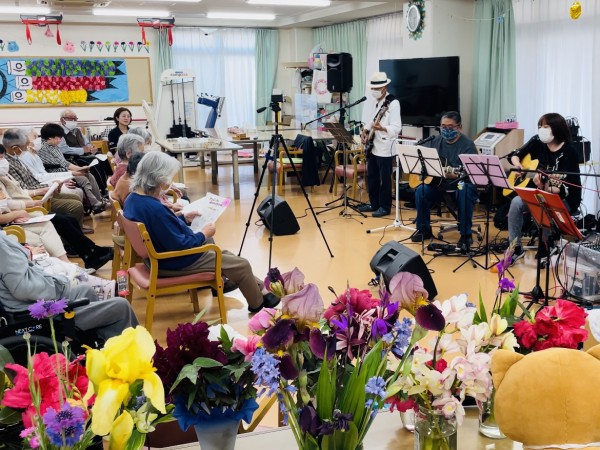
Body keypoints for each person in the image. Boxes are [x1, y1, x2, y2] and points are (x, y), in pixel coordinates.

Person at [123, 152, 279, 313]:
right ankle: (258, 304)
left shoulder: (133, 199)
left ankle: (259, 289)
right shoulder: (154, 208)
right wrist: (203, 233)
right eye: (168, 178)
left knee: (224, 255)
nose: (168, 182)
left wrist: (184, 218)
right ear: (158, 178)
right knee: (241, 264)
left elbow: (162, 227)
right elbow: (180, 244)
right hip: (172, 262)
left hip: (156, 257)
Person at [0, 232, 138, 342]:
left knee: (85, 290)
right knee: (121, 306)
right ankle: (131, 359)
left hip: (25, 306)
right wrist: (58, 285)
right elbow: (24, 289)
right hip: (33, 315)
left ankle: (99, 346)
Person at [0, 145, 113, 270]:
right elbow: (9, 202)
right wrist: (21, 210)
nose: (3, 160)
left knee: (69, 219)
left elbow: (15, 195)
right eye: (0, 158)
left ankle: (90, 253)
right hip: (14, 216)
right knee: (62, 220)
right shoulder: (10, 168)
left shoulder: (5, 173)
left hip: (23, 208)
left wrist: (36, 197)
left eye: (2, 157)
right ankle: (88, 254)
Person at [508, 112, 582, 261]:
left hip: (564, 197)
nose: (541, 130)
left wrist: (545, 187)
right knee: (516, 202)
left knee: (542, 203)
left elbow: (562, 190)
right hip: (540, 192)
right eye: (540, 126)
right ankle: (515, 247)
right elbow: (514, 155)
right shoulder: (537, 142)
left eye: (546, 126)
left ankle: (547, 245)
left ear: (557, 128)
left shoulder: (569, 152)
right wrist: (519, 167)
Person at [411, 111, 479, 249]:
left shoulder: (468, 145)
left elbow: (471, 173)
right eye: (443, 126)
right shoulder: (435, 141)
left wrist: (453, 175)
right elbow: (423, 161)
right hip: (439, 185)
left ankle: (466, 234)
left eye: (450, 127)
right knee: (421, 190)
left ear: (459, 127)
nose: (446, 130)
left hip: (460, 184)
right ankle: (424, 229)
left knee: (464, 189)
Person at [2, 129, 86, 227]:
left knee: (75, 197)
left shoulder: (16, 157)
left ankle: (76, 228)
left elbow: (34, 177)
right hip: (34, 197)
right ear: (15, 148)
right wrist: (48, 186)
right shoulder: (7, 164)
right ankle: (72, 232)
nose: (27, 148)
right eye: (25, 146)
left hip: (40, 190)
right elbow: (24, 188)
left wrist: (52, 184)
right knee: (75, 206)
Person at [358, 71, 402, 218]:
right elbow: (372, 120)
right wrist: (365, 131)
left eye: (377, 88)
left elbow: (397, 128)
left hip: (385, 148)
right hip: (373, 146)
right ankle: (374, 203)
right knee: (372, 177)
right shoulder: (377, 102)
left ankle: (385, 206)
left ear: (385, 87)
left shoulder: (393, 103)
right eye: (373, 88)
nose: (374, 91)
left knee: (385, 179)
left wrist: (382, 128)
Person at [38, 123, 107, 214]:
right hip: (56, 173)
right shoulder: (44, 149)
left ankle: (99, 200)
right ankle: (94, 203)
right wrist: (77, 170)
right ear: (49, 138)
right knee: (82, 179)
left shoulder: (54, 146)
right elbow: (60, 165)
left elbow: (65, 162)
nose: (60, 140)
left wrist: (79, 168)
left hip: (64, 170)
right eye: (58, 138)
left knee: (89, 175)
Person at [57, 109, 112, 195]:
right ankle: (102, 189)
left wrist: (91, 148)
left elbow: (87, 143)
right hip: (72, 157)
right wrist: (82, 150)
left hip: (85, 154)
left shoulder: (77, 130)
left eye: (75, 119)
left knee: (104, 158)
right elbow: (63, 149)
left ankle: (110, 183)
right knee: (94, 161)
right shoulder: (59, 132)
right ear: (62, 120)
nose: (73, 121)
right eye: (70, 119)